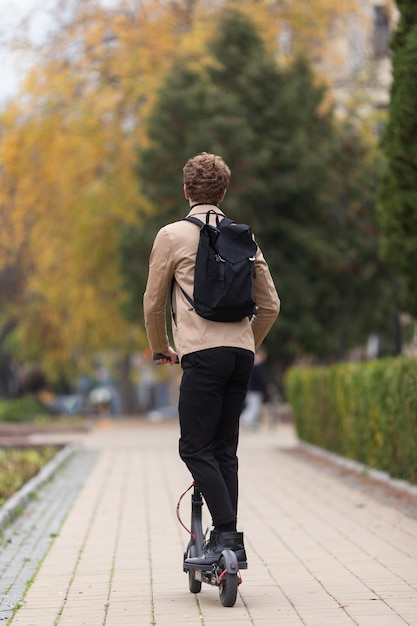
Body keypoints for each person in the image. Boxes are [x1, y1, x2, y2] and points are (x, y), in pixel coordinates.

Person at [143, 152, 280, 568]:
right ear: (224, 192)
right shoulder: (244, 237)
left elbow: (152, 303)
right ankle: (226, 540)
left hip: (201, 354)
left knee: (193, 447)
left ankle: (229, 535)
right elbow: (270, 304)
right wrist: (246, 342)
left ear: (186, 191)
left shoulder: (171, 235)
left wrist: (162, 347)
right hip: (241, 355)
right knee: (224, 449)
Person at [240, 346, 268, 430]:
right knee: (254, 407)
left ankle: (248, 422)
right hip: (255, 390)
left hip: (250, 389)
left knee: (252, 406)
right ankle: (246, 420)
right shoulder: (257, 365)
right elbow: (259, 379)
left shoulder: (252, 363)